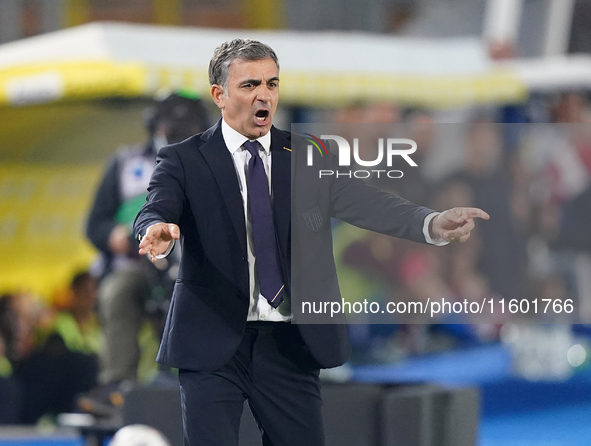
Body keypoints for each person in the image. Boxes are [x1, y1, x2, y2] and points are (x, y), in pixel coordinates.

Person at [134, 39, 489, 446]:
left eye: (272, 83)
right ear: (219, 94)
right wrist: (156, 229)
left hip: (290, 344)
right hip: (213, 342)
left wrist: (430, 222)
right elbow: (157, 204)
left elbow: (366, 203)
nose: (264, 94)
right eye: (250, 85)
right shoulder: (183, 158)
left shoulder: (309, 154)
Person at [83, 91, 211, 416]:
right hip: (138, 262)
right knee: (117, 291)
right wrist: (118, 238)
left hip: (193, 265)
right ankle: (117, 386)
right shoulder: (126, 163)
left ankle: (204, 386)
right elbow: (95, 225)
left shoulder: (214, 164)